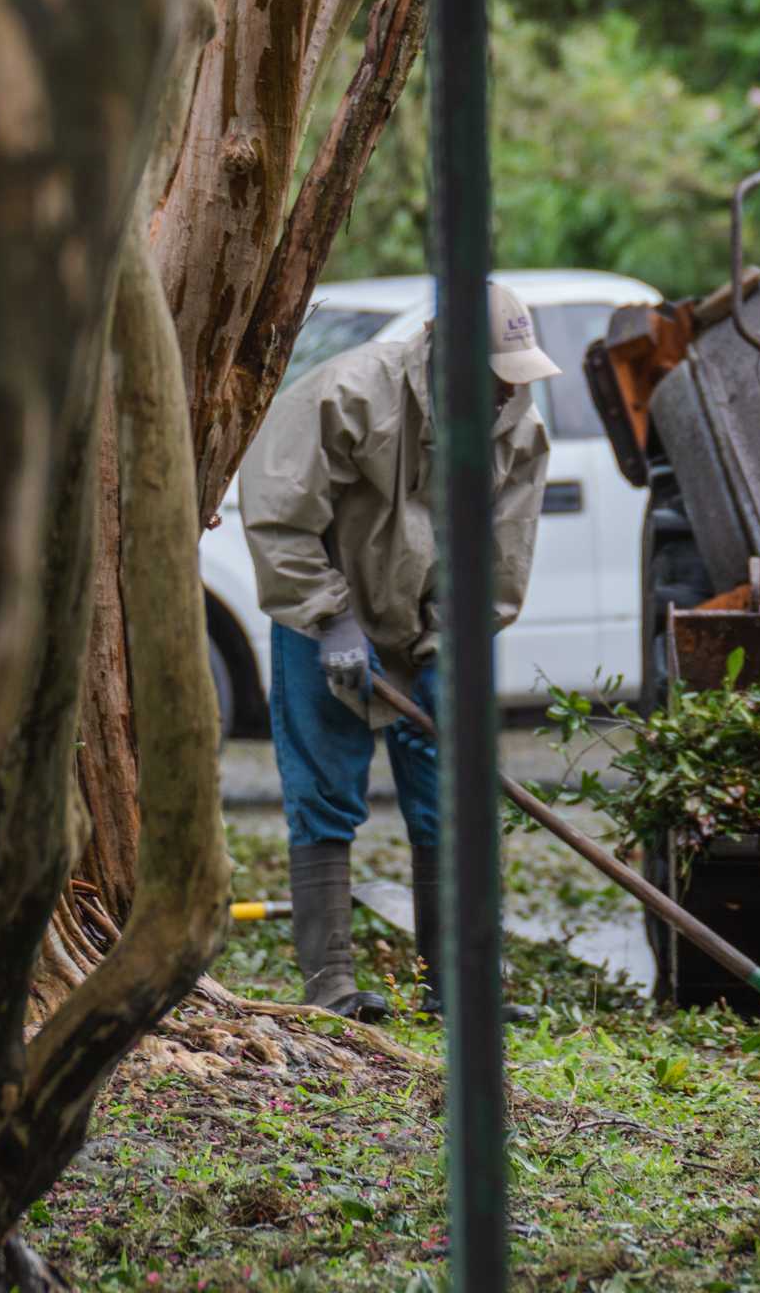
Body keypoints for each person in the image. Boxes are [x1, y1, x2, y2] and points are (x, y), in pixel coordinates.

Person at [242, 281, 558, 1021]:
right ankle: (332, 986)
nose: (505, 394)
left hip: (431, 630)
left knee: (449, 803)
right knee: (324, 796)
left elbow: (501, 559)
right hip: (323, 615)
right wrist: (331, 621)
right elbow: (280, 520)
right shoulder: (350, 395)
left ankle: (452, 988)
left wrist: (452, 642)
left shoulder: (517, 431)